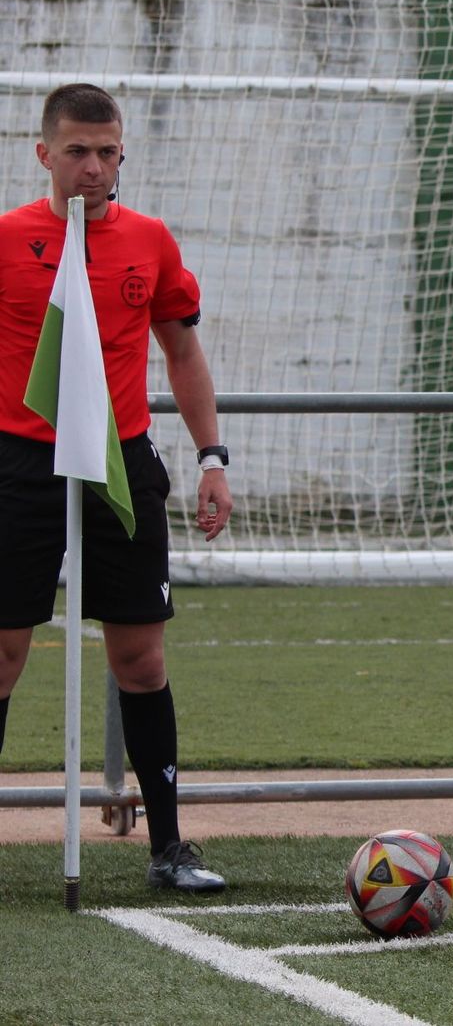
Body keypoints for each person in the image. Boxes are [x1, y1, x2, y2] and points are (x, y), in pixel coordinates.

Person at [0, 84, 232, 891]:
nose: (94, 168)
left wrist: (212, 457)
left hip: (121, 462)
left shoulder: (150, 240)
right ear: (44, 154)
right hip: (21, 463)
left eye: (107, 152)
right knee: (3, 652)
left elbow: (183, 352)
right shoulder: (7, 240)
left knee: (140, 657)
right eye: (77, 151)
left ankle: (170, 847)